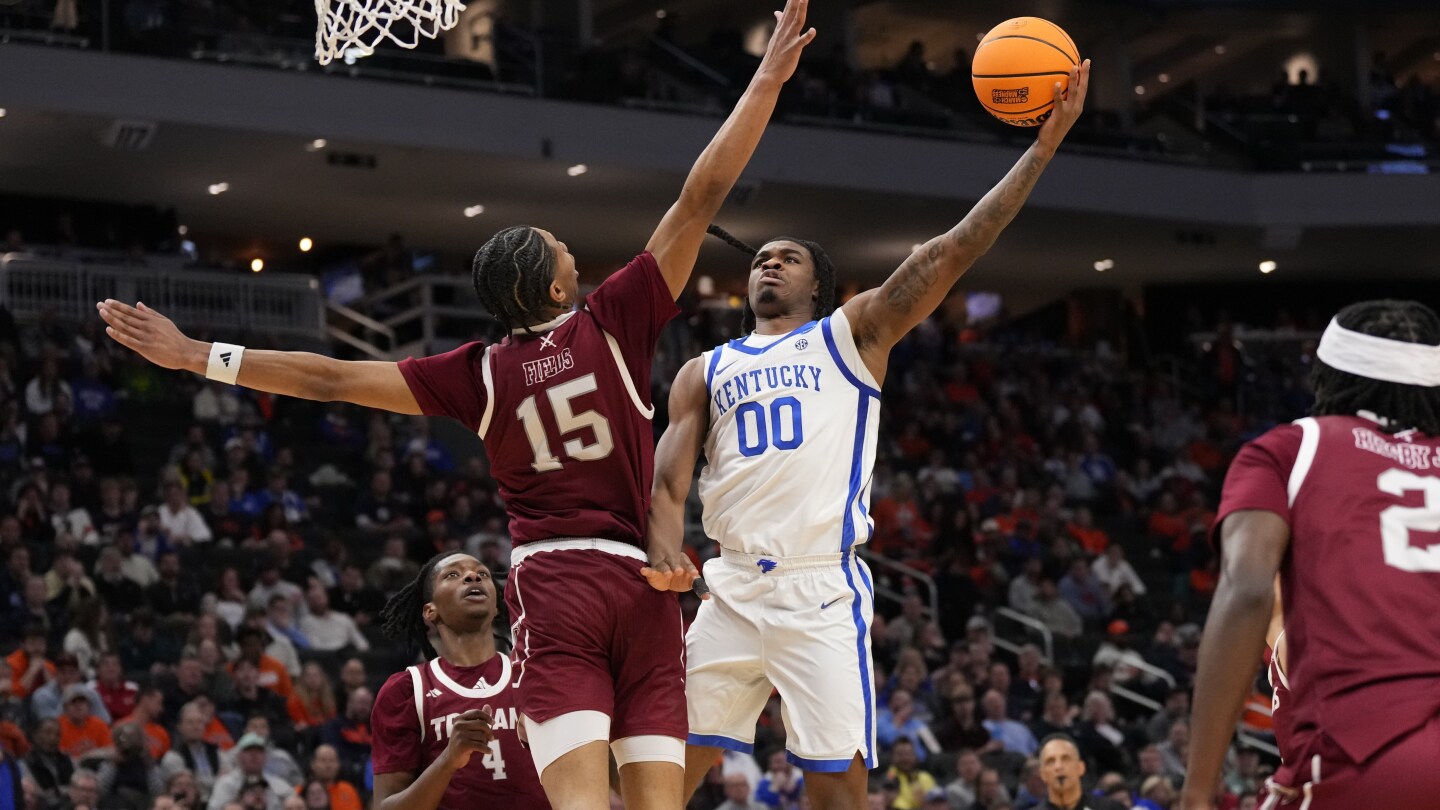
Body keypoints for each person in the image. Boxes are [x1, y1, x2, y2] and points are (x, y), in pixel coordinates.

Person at [98, 3, 816, 806]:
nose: (574, 251)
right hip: (637, 593)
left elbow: (331, 378)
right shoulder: (613, 319)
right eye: (562, 250)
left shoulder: (477, 372)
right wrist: (765, 81)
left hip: (557, 587)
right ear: (553, 286)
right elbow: (700, 194)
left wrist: (199, 355)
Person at [648, 59, 1091, 808]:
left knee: (838, 782)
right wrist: (663, 548)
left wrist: (1041, 150)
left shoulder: (852, 335)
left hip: (819, 584)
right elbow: (667, 485)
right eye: (760, 257)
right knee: (666, 768)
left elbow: (951, 250)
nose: (768, 263)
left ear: (817, 284)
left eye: (786, 257)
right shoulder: (702, 369)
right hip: (727, 585)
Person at [1182, 300, 1440, 810]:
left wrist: (1196, 794)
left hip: (1369, 750)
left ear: (1326, 376)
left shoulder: (1289, 450)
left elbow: (1249, 587)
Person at [370, 552, 545, 810]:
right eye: (453, 574)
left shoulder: (535, 676)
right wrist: (448, 760)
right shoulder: (407, 691)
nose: (473, 576)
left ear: (497, 605)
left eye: (482, 574)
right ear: (430, 611)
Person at [1032, 735, 1125, 810]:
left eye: (1066, 759)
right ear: (1042, 774)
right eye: (1050, 761)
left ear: (1081, 767)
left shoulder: (1111, 808)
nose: (1058, 767)